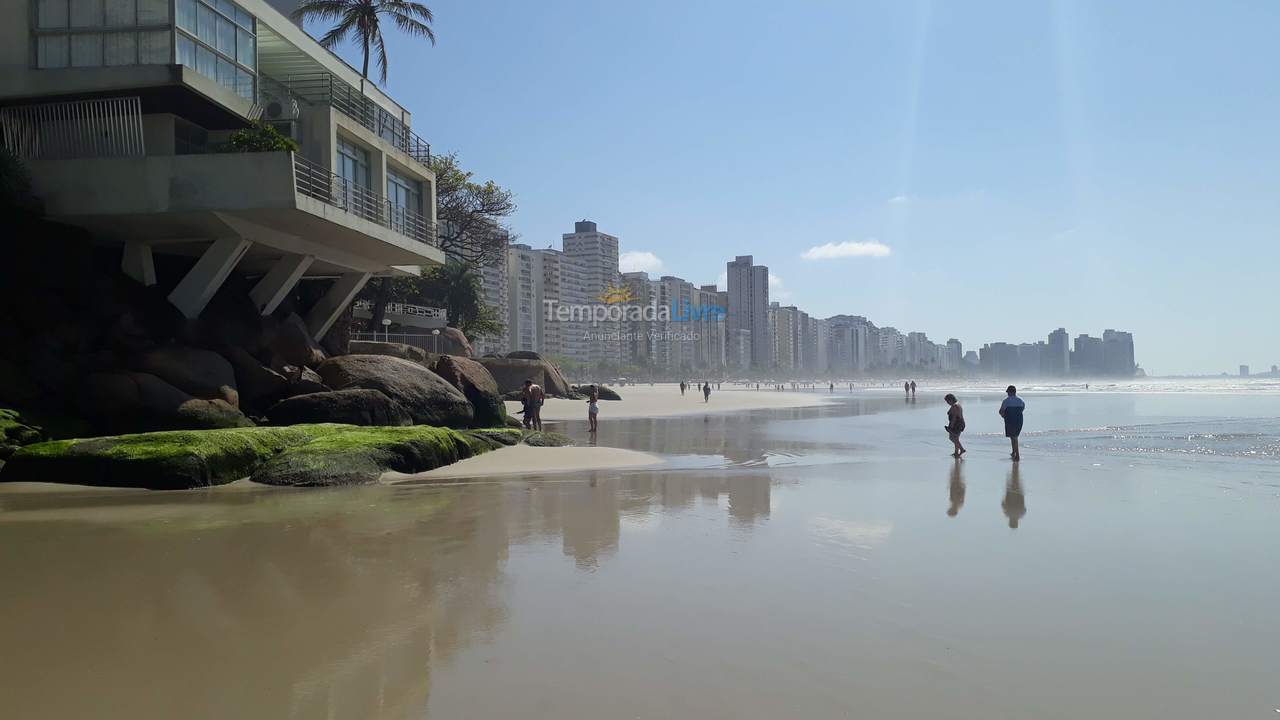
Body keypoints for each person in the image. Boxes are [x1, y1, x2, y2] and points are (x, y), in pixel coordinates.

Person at [998, 385, 1025, 461]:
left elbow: (1000, 411)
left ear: (1009, 392)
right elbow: (1022, 409)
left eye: (1008, 392)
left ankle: (1017, 455)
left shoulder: (1006, 401)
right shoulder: (1021, 400)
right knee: (1014, 437)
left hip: (1010, 420)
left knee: (1014, 437)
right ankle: (1013, 452)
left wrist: (1004, 416)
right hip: (1019, 421)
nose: (1007, 394)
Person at [944, 393, 966, 457]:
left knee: (952, 438)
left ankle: (961, 449)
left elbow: (954, 417)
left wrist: (950, 427)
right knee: (956, 438)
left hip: (957, 424)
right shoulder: (956, 404)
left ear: (951, 399)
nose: (947, 403)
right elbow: (949, 412)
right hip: (960, 423)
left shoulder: (955, 406)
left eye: (947, 401)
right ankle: (956, 452)